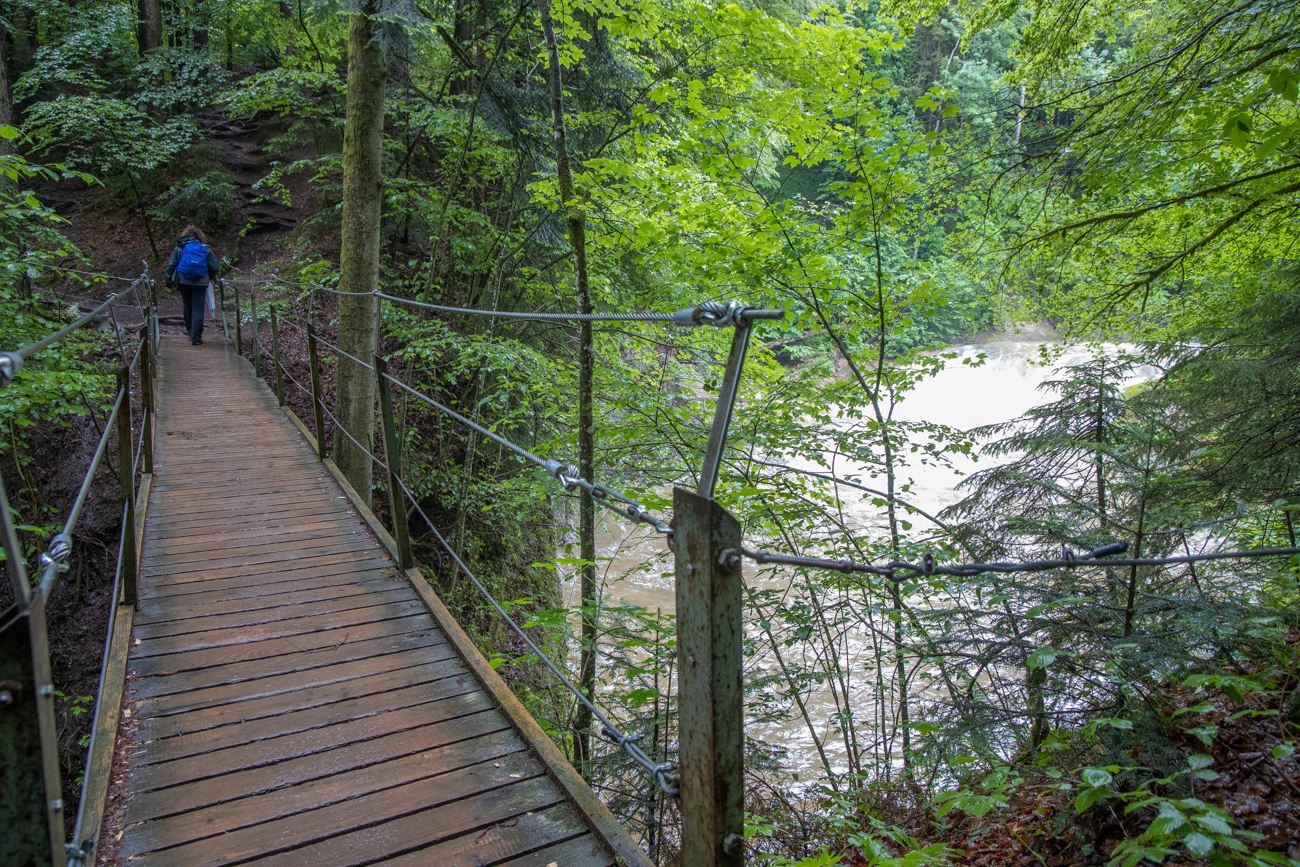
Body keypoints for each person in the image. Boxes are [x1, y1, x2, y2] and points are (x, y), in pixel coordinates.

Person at [165, 226, 219, 345]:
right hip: (200, 282)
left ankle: (190, 331)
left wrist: (168, 282)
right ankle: (196, 338)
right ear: (200, 236)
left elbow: (172, 265)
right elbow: (214, 266)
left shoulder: (180, 248)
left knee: (187, 307)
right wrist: (208, 277)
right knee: (198, 308)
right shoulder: (205, 248)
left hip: (183, 282)